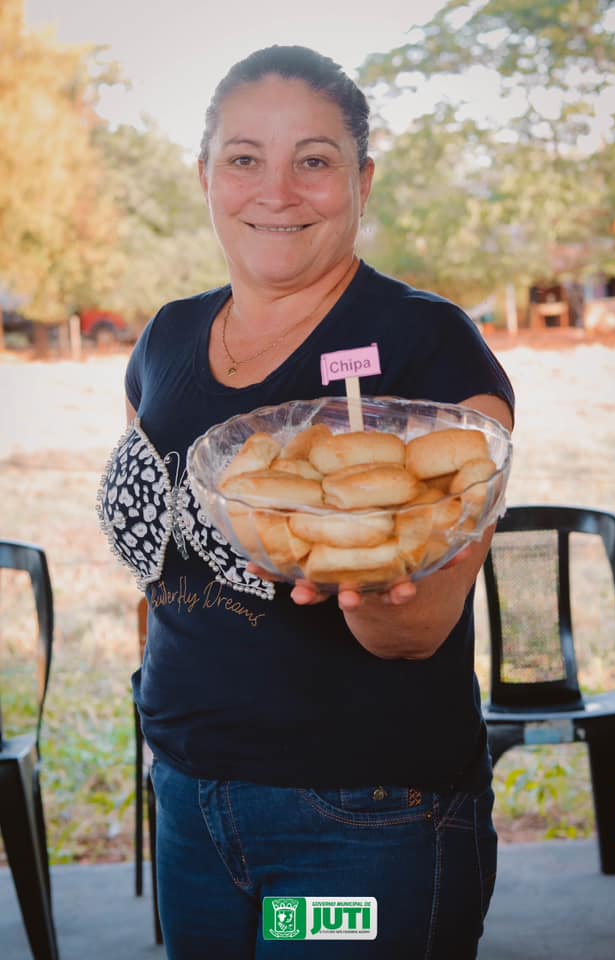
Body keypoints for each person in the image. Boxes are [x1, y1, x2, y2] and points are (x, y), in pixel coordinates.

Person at [98, 44, 514, 959]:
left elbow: (418, 633)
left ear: (362, 180)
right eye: (244, 157)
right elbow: (158, 551)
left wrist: (364, 585)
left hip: (358, 821)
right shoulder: (165, 338)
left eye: (315, 161)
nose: (276, 190)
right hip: (190, 799)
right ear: (204, 174)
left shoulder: (427, 344)